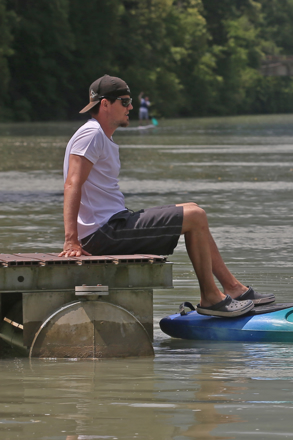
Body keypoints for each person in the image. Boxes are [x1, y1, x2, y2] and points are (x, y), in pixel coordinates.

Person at [60, 75, 273, 317]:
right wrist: (71, 240)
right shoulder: (91, 134)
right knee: (195, 215)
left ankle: (233, 288)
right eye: (125, 101)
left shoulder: (100, 135)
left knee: (191, 208)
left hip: (112, 225)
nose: (130, 107)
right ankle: (212, 298)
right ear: (105, 104)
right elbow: (72, 184)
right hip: (103, 234)